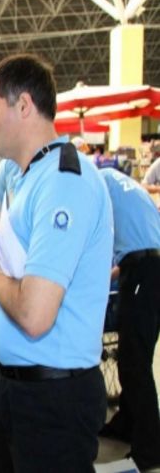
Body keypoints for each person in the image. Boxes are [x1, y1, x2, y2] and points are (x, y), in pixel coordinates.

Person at [0, 54, 113, 471]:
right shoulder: (29, 177)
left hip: (51, 402)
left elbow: (36, 314)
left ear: (24, 106)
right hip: (17, 391)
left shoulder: (63, 182)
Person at [97, 168, 160, 470]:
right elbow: (139, 243)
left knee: (135, 364)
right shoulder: (124, 183)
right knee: (134, 357)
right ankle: (127, 423)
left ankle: (150, 448)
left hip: (142, 272)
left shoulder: (95, 185)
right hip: (149, 268)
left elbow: (96, 240)